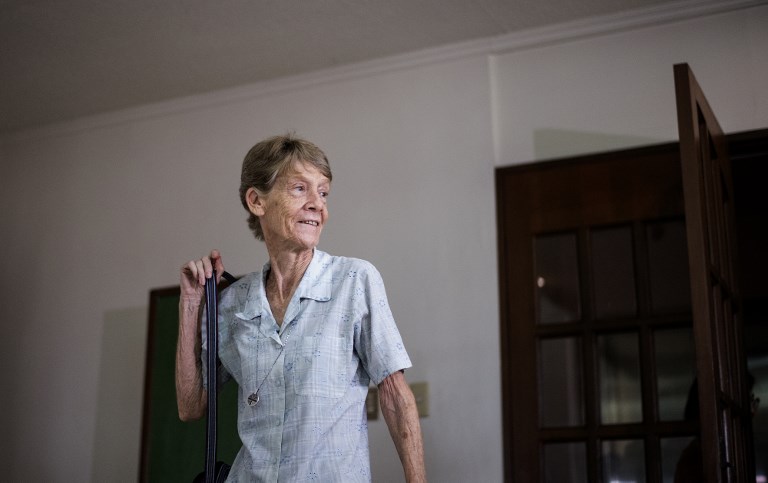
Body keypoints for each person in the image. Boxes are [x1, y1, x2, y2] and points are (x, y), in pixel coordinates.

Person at [175, 134, 426, 482]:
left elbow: (395, 395)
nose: (317, 204)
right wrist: (190, 305)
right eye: (299, 189)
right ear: (256, 201)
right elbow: (191, 407)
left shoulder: (354, 280)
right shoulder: (232, 302)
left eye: (323, 192)